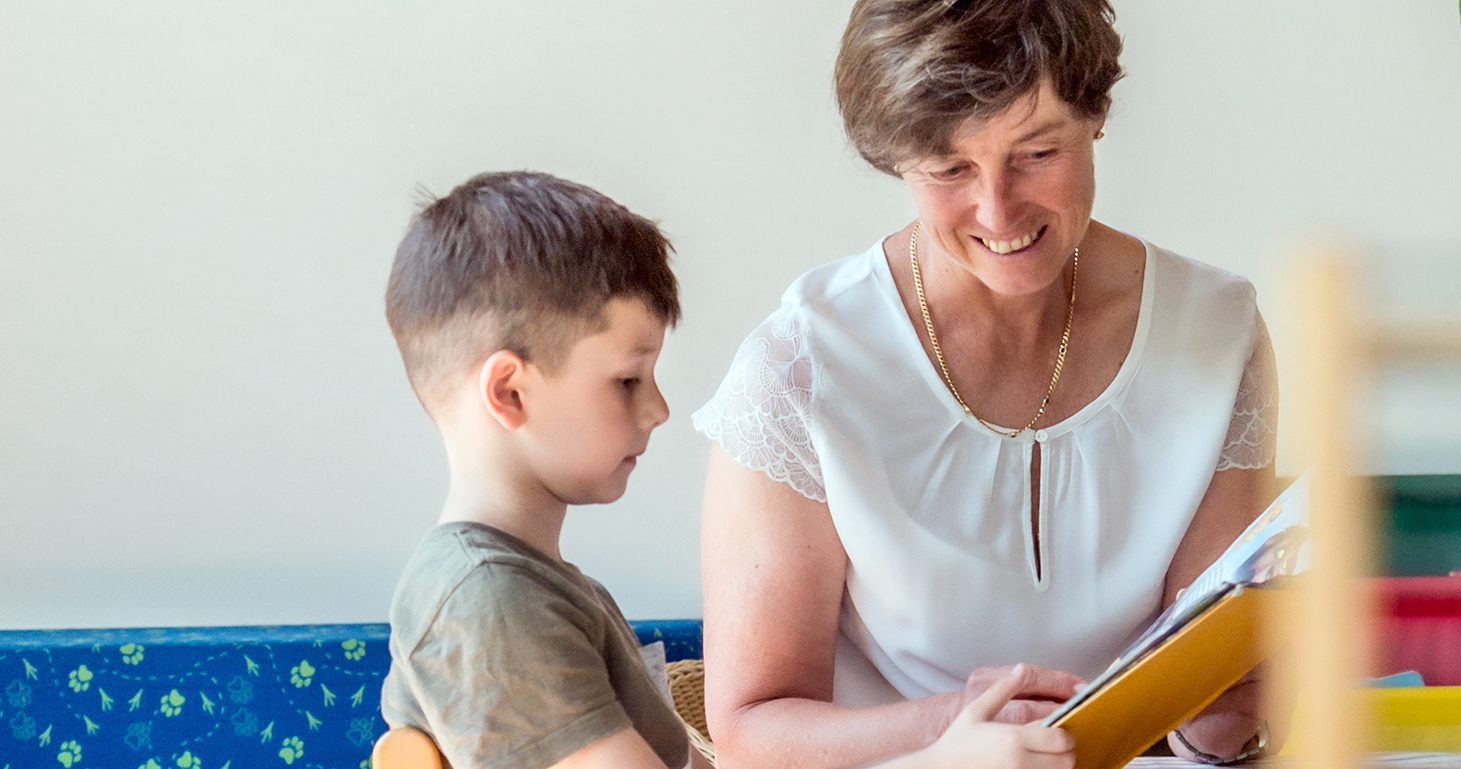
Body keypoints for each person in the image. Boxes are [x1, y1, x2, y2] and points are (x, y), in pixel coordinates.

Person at [694, 1, 1280, 767]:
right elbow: (750, 732)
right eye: (950, 169)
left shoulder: (1216, 332)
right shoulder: (800, 368)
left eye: (1037, 153)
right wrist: (956, 730)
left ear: (1095, 117)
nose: (998, 210)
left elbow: (1207, 712)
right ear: (897, 159)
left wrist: (1226, 715)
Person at [378, 171, 1076, 769]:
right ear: (509, 392)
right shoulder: (486, 602)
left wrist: (942, 734)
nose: (658, 409)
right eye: (626, 380)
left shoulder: (534, 585)